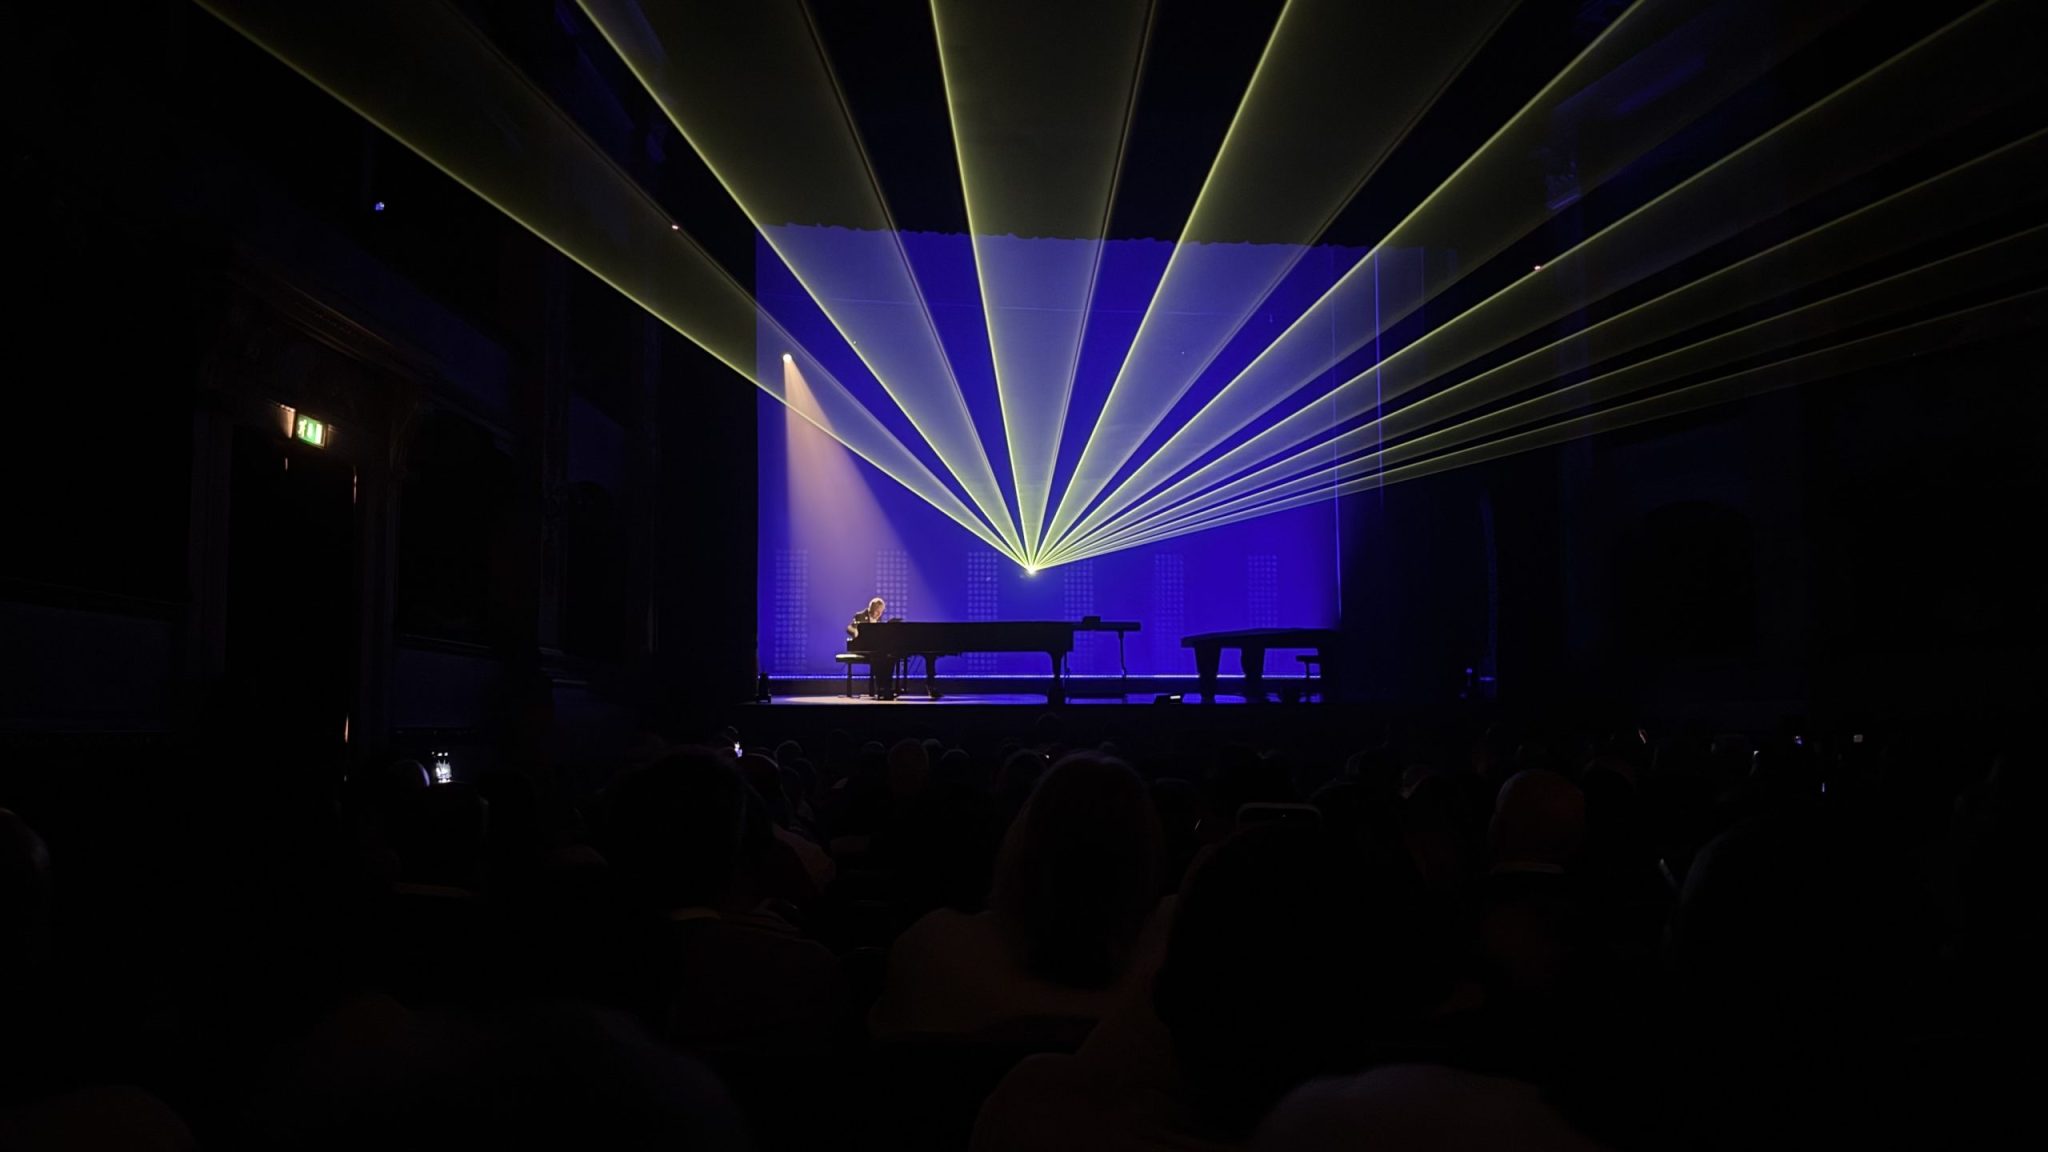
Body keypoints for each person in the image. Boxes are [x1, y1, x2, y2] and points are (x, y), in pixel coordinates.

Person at [848, 597, 896, 697]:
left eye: (881, 612)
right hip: (863, 648)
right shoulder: (860, 616)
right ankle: (880, 688)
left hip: (875, 649)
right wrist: (857, 633)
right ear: (871, 608)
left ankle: (887, 687)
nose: (879, 614)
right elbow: (850, 628)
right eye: (878, 611)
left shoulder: (879, 619)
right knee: (878, 658)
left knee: (890, 658)